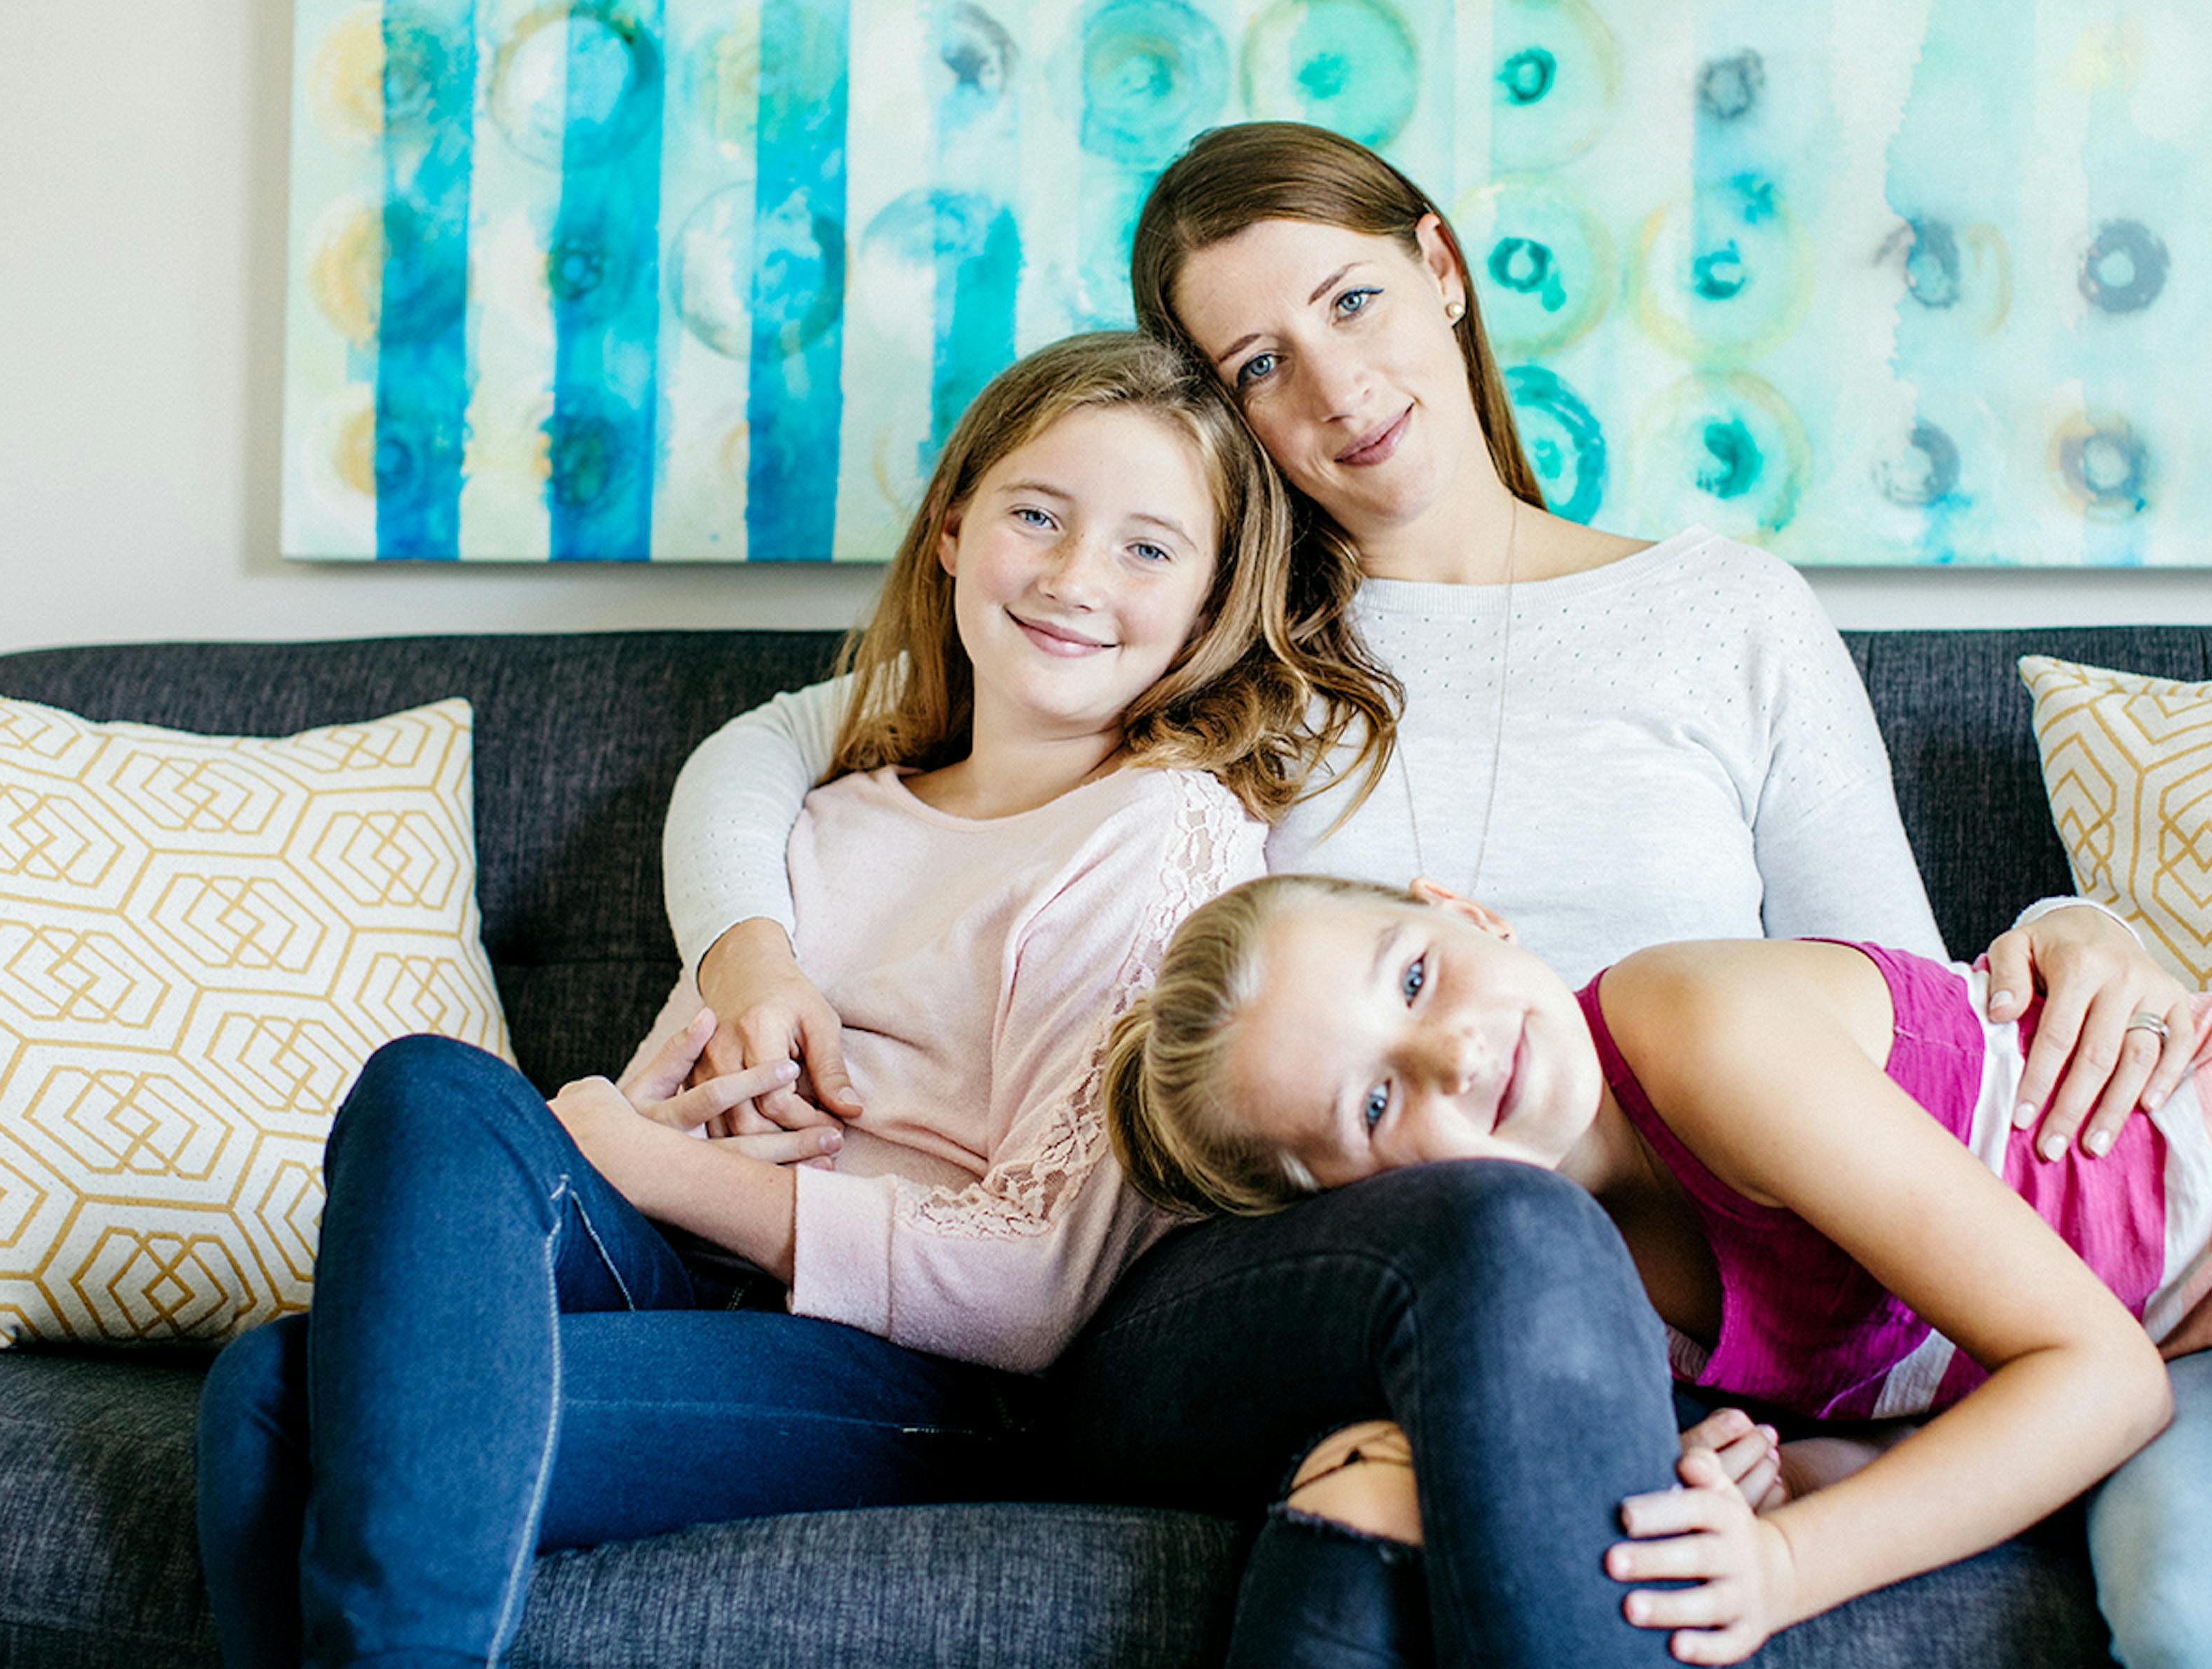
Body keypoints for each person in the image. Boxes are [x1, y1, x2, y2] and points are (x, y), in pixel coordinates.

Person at [662, 120, 2199, 1661]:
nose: (1332, 387)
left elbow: (1888, 1008)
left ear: (1444, 270)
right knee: (1498, 1232)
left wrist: (2079, 926)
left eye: (1350, 302)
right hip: (1279, 1266)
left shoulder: (1726, 612)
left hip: (1629, 1289)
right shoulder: (1220, 632)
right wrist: (747, 956)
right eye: (1258, 364)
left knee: (1434, 1431)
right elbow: (778, 742)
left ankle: (1435, 1459)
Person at [189, 330, 1349, 1667]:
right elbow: (674, 1095)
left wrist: (637, 1161)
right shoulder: (829, 810)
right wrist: (638, 1132)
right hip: (680, 1279)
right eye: (1040, 514)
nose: (1079, 577)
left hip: (918, 1365)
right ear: (957, 530)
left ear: (1207, 607)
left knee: (284, 1401)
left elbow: (1031, 1286)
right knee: (424, 1093)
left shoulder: (1161, 832)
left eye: (1150, 548)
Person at [1103, 871, 2212, 1668]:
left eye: (1413, 976)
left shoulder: (1699, 1030)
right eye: (1374, 1108)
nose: (1450, 1052)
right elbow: (1925, 1357)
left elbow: (2092, 1373)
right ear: (1368, 1223)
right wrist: (1796, 1465)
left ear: (1464, 911)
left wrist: (1793, 1560)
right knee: (2201, 1622)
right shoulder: (1579, 1292)